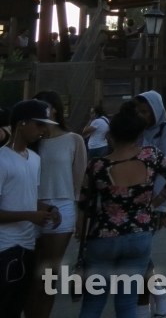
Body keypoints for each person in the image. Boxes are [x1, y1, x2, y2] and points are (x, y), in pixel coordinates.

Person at [76, 101, 166, 318]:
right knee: (126, 304)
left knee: (93, 303)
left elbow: (85, 203)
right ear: (138, 133)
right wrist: (153, 204)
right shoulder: (151, 155)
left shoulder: (97, 165)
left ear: (111, 135)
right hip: (139, 234)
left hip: (103, 237)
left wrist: (81, 230)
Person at [26, 91, 87, 318]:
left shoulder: (73, 139)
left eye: (46, 107)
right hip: (30, 205)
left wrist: (80, 215)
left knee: (47, 273)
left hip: (62, 204)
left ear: (55, 110)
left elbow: (79, 182)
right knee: (29, 272)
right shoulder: (31, 141)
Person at [0, 100, 61, 318]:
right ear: (21, 124)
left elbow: (28, 198)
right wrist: (30, 216)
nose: (43, 130)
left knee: (18, 306)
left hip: (27, 245)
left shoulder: (34, 159)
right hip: (5, 247)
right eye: (39, 124)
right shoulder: (2, 159)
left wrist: (49, 209)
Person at [133, 91, 166, 318]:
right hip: (133, 200)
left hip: (153, 201)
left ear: (156, 109)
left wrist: (161, 206)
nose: (141, 115)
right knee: (137, 253)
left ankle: (154, 300)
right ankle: (157, 296)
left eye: (145, 111)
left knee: (138, 253)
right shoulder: (139, 131)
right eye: (138, 111)